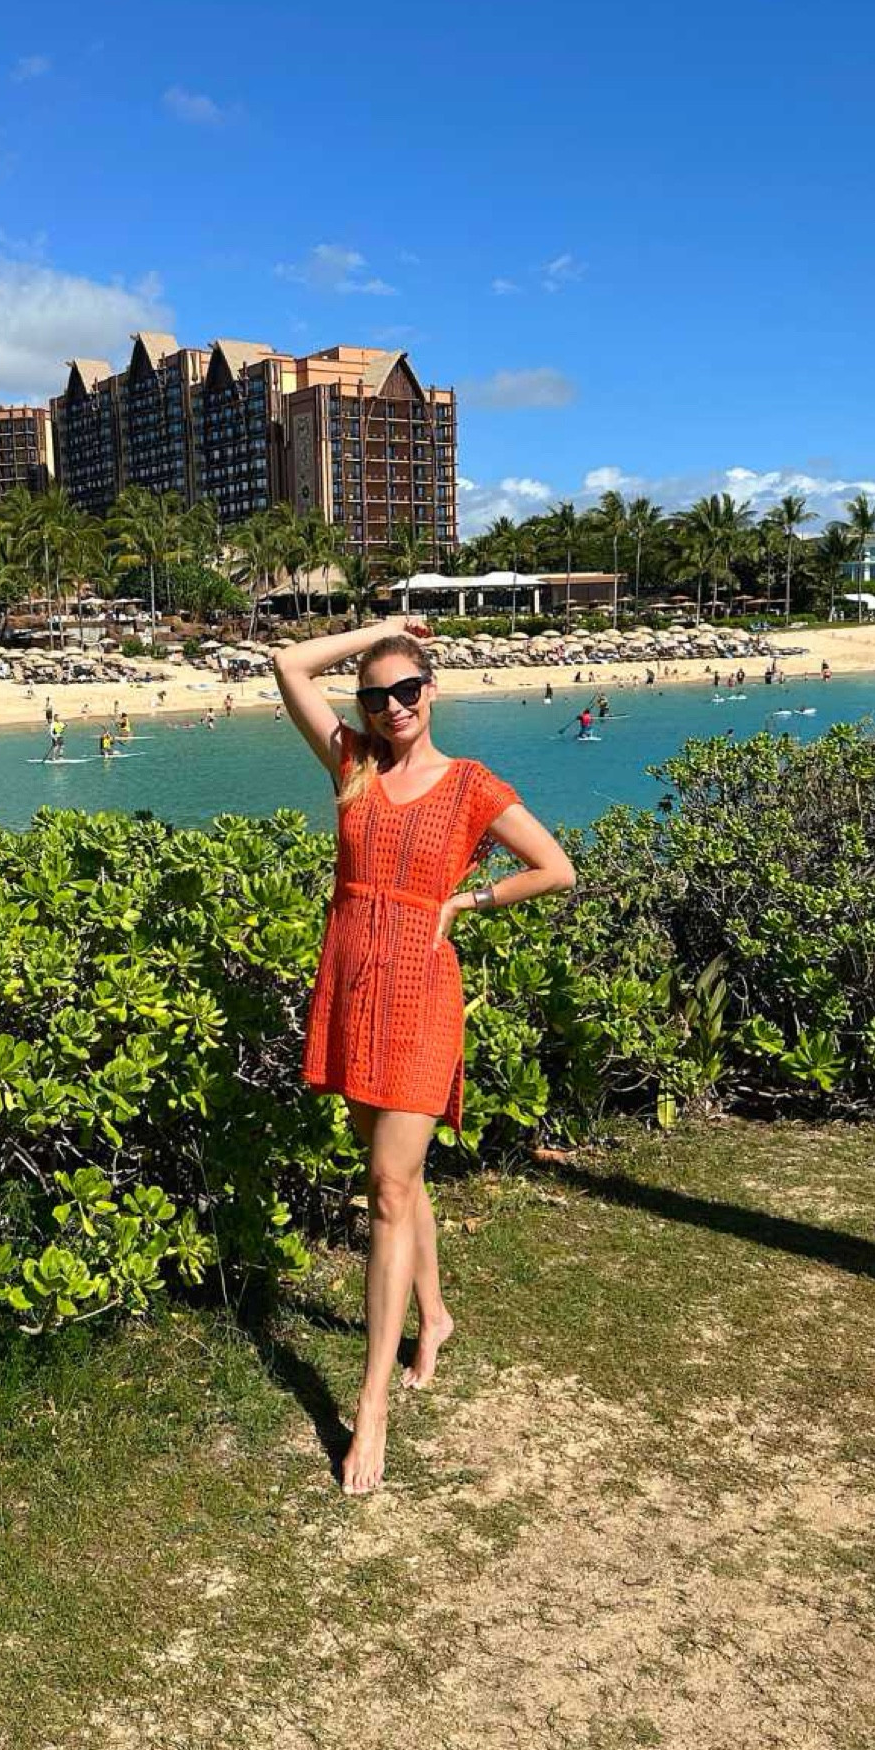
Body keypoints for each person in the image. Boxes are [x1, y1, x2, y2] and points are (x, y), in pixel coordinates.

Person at [274, 617, 575, 1497]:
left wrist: (470, 900)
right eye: (376, 694)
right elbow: (288, 663)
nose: (393, 705)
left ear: (432, 692)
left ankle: (370, 1406)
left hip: (419, 994)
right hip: (352, 986)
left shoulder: (471, 785)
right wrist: (378, 632)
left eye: (408, 689)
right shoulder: (352, 762)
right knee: (394, 1181)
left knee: (389, 1190)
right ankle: (431, 1315)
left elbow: (554, 868)